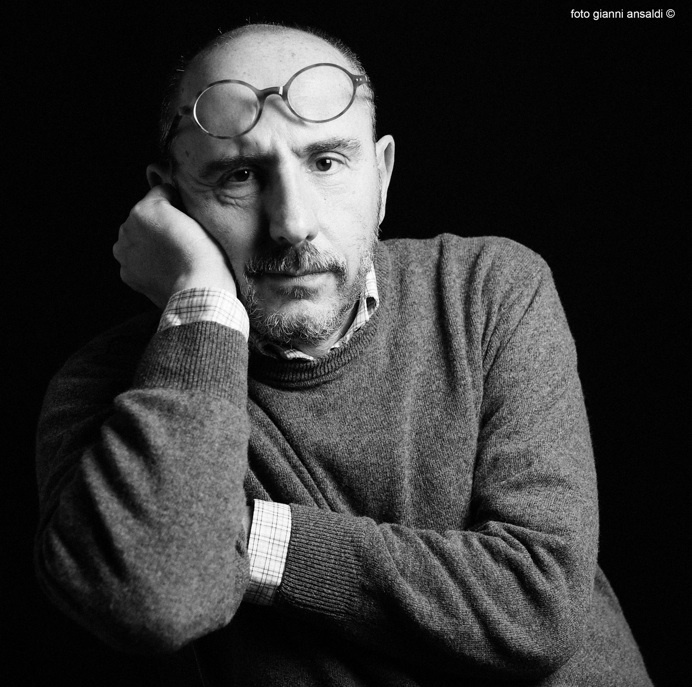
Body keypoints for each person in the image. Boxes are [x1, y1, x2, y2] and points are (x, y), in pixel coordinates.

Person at [34, 22, 653, 686]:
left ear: (381, 177)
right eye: (239, 175)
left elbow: (536, 603)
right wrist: (200, 300)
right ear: (170, 201)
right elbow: (159, 596)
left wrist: (236, 537)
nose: (292, 223)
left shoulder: (489, 290)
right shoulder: (102, 390)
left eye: (326, 162)